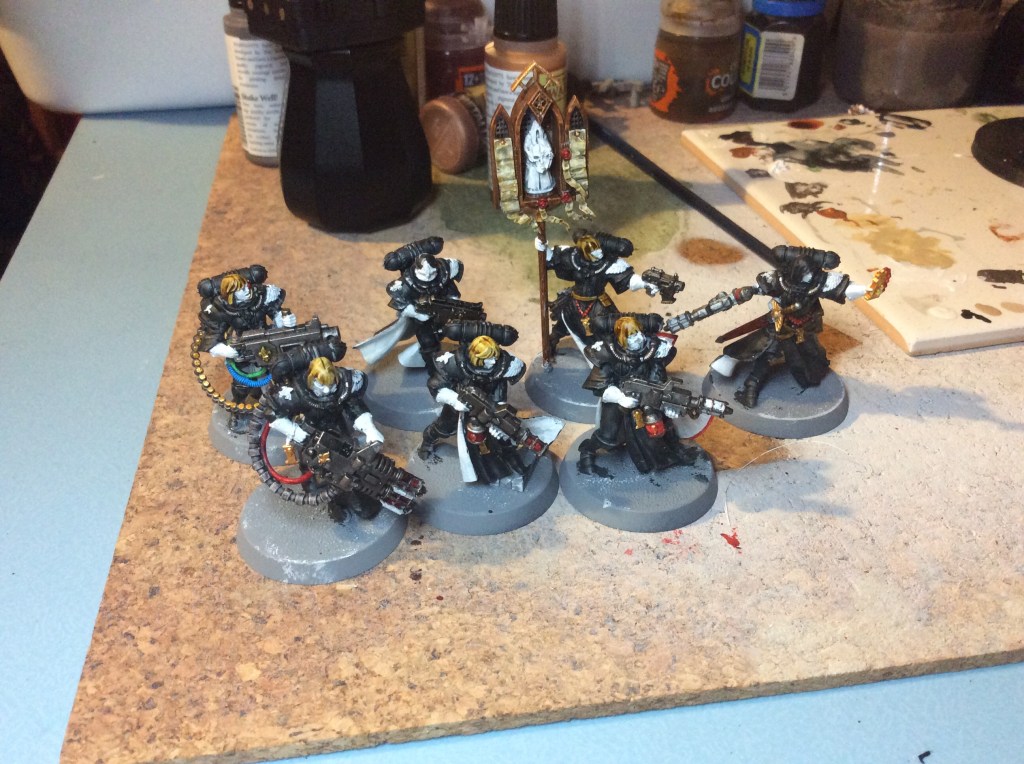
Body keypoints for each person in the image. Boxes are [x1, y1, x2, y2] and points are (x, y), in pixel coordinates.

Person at [711, 246, 889, 408]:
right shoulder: (779, 279)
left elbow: (846, 288)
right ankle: (750, 384)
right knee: (766, 351)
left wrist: (868, 290)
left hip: (805, 325)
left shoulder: (820, 281)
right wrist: (743, 293)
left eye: (809, 276)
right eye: (804, 277)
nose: (806, 280)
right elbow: (757, 287)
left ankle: (805, 374)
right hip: (780, 323)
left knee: (810, 360)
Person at [258, 341, 417, 519]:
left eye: (331, 385)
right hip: (309, 436)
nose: (327, 390)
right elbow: (272, 413)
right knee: (312, 472)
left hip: (340, 432)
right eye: (321, 385)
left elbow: (354, 406)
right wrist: (298, 434)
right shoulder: (294, 393)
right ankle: (324, 495)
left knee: (352, 467)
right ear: (311, 380)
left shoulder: (344, 384)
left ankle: (355, 496)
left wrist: (369, 428)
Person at [577, 313, 699, 477]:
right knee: (609, 436)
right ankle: (587, 451)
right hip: (618, 399)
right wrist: (620, 398)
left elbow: (658, 380)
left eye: (639, 333)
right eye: (632, 336)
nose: (638, 338)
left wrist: (668, 404)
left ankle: (672, 452)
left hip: (646, 397)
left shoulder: (653, 350)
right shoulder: (608, 354)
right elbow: (600, 387)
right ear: (622, 339)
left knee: (662, 427)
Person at [419, 322, 531, 485]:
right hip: (460, 404)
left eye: (495, 356)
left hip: (491, 403)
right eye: (488, 358)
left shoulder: (502, 365)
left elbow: (501, 388)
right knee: (444, 427)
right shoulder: (456, 363)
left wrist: (498, 409)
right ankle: (427, 443)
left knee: (502, 433)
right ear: (476, 357)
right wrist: (454, 400)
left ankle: (511, 459)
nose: (493, 361)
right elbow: (435, 385)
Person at [195, 265, 296, 427]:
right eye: (240, 289)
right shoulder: (221, 309)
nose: (247, 290)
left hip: (268, 343)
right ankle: (238, 413)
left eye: (246, 286)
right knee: (241, 387)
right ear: (230, 294)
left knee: (277, 379)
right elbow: (212, 335)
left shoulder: (261, 297)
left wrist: (283, 320)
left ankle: (280, 410)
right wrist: (225, 350)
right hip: (243, 350)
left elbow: (275, 311)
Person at [535, 231, 662, 358]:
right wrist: (544, 248)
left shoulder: (608, 263)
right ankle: (550, 346)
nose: (599, 252)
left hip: (597, 305)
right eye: (593, 251)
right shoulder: (573, 258)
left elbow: (628, 279)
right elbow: (554, 259)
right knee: (563, 324)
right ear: (584, 253)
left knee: (605, 330)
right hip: (574, 302)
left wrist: (644, 283)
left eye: (598, 248)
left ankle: (606, 358)